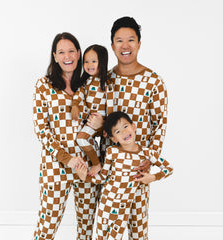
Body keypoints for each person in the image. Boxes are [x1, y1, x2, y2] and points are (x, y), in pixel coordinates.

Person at [87, 16, 168, 240]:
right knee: (106, 228)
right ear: (112, 45)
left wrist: (150, 158)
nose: (125, 46)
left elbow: (160, 124)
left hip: (137, 166)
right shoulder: (105, 79)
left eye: (131, 40)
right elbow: (94, 120)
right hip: (108, 168)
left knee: (136, 226)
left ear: (139, 43)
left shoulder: (153, 81)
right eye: (119, 40)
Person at [32, 32, 100, 240]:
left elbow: (98, 125)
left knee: (87, 228)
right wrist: (67, 159)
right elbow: (41, 129)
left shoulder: (89, 85)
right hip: (56, 167)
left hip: (87, 166)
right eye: (61, 52)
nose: (67, 56)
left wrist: (99, 125)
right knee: (47, 225)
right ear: (54, 56)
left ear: (79, 54)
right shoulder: (43, 85)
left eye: (71, 51)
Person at [76, 111, 173, 240]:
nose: (124, 132)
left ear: (133, 127)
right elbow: (103, 177)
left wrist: (153, 177)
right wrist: (84, 177)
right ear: (114, 139)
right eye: (117, 132)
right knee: (101, 237)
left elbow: (169, 169)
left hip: (123, 208)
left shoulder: (147, 153)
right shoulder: (112, 152)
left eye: (125, 127)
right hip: (106, 204)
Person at [71, 44, 109, 176]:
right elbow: (79, 94)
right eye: (86, 61)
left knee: (81, 139)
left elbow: (113, 105)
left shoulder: (108, 83)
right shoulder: (85, 82)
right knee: (83, 139)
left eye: (93, 61)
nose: (89, 64)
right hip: (89, 121)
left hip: (102, 122)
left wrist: (105, 123)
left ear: (102, 62)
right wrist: (75, 105)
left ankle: (96, 163)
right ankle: (96, 160)